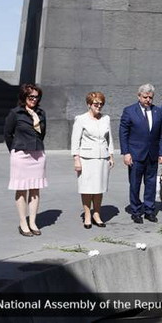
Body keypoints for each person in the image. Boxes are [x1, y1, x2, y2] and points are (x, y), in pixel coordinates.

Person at [119, 84, 162, 224]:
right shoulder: (129, 111)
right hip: (135, 155)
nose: (148, 100)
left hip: (152, 154)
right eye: (145, 97)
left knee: (151, 184)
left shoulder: (159, 112)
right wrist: (126, 153)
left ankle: (149, 210)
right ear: (139, 96)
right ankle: (136, 211)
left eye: (150, 97)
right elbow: (123, 133)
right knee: (135, 184)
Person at [4, 84, 47, 237]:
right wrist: (15, 150)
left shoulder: (41, 113)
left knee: (35, 190)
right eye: (31, 97)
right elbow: (8, 135)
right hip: (21, 155)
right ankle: (23, 222)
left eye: (36, 97)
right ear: (24, 97)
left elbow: (42, 134)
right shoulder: (15, 113)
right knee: (21, 189)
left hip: (38, 155)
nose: (34, 99)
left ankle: (33, 222)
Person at [71, 92, 114, 229]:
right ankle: (87, 215)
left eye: (101, 104)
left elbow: (109, 139)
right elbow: (75, 140)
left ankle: (97, 213)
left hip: (102, 158)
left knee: (99, 188)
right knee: (87, 188)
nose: (99, 106)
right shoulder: (81, 119)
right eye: (96, 104)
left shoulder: (106, 118)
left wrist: (111, 155)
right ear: (89, 104)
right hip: (86, 158)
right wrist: (76, 159)